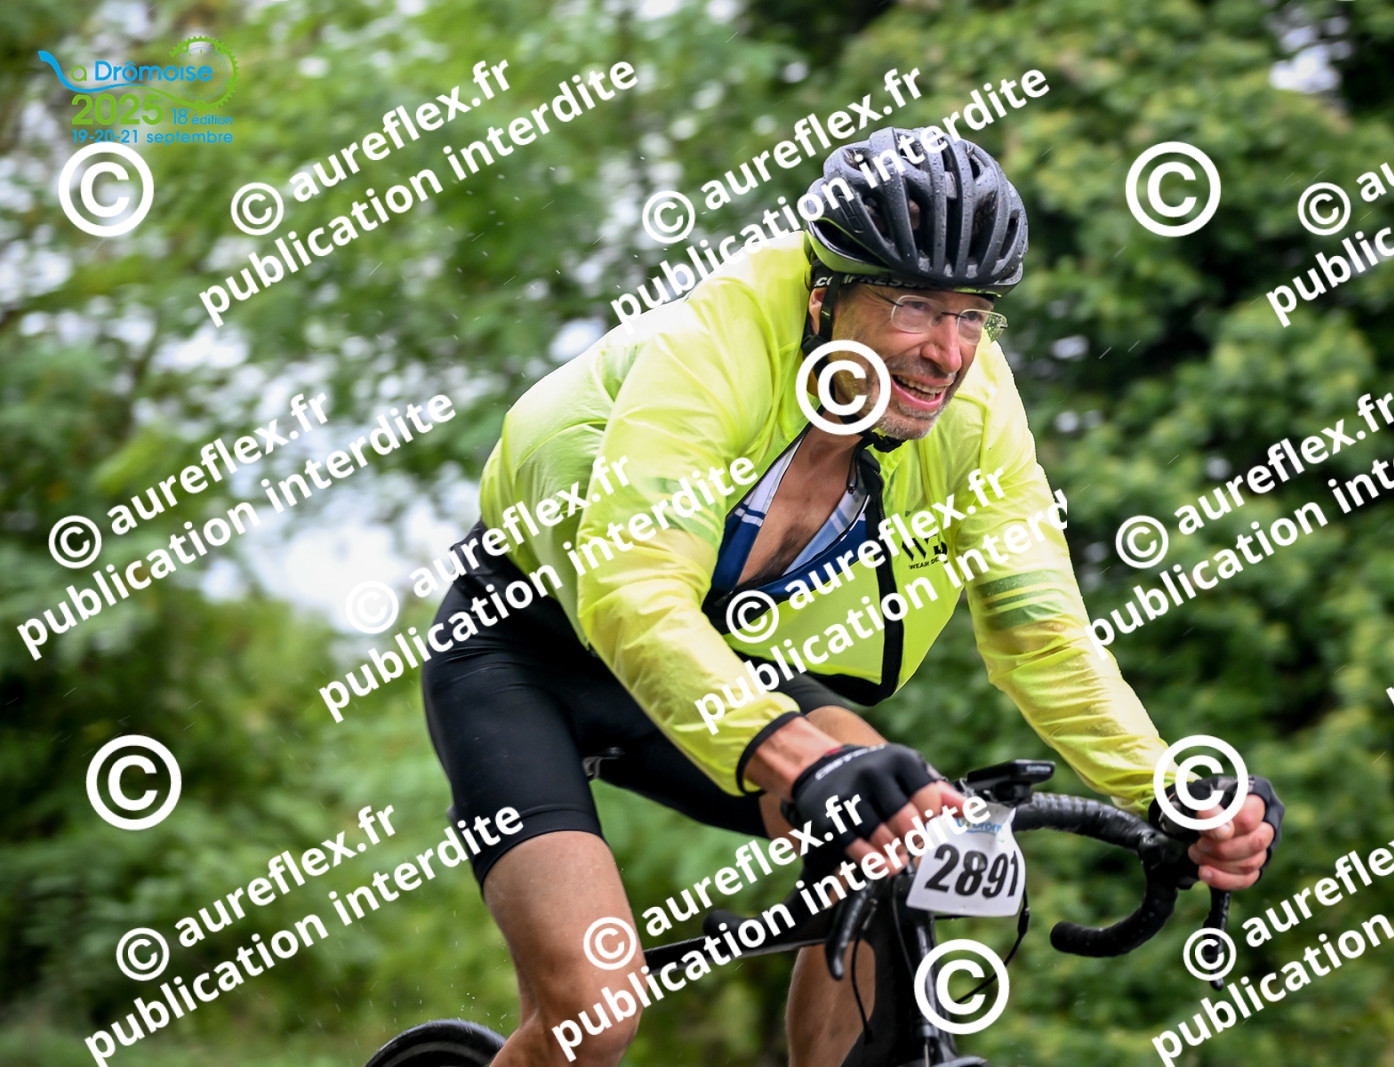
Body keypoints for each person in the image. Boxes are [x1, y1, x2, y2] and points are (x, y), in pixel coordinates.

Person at [420, 126, 1283, 1067]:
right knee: (596, 1011)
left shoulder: (974, 412)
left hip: (719, 661)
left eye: (974, 315)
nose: (947, 352)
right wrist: (802, 762)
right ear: (825, 294)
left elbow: (1042, 634)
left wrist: (1170, 787)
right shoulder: (716, 345)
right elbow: (633, 591)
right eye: (914, 305)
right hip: (528, 652)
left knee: (906, 840)